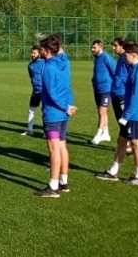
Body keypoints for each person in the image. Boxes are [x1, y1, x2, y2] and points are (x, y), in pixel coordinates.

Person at [95, 42, 138, 185]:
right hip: (131, 113)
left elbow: (136, 97)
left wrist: (126, 116)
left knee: (136, 143)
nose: (124, 57)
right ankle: (113, 171)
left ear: (134, 55)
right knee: (121, 141)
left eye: (126, 55)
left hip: (135, 115)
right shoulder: (133, 69)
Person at [34, 35, 77, 198]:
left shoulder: (47, 67)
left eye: (41, 49)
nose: (40, 51)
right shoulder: (64, 63)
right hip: (64, 114)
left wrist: (65, 106)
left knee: (53, 149)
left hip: (53, 114)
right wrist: (69, 106)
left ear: (47, 50)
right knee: (61, 146)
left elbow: (51, 93)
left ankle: (53, 186)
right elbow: (68, 85)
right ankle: (64, 182)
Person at [89, 40, 116, 145]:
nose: (92, 50)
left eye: (94, 48)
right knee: (102, 112)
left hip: (106, 89)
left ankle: (98, 135)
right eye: (92, 47)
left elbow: (114, 72)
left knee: (102, 112)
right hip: (97, 89)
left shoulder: (106, 57)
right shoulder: (96, 59)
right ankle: (106, 133)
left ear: (100, 47)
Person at [110, 37, 133, 154]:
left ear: (122, 46)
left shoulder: (126, 59)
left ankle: (130, 144)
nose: (113, 48)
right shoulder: (120, 59)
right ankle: (125, 144)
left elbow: (130, 76)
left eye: (115, 45)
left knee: (124, 120)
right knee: (120, 120)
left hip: (122, 94)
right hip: (116, 93)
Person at [22, 45, 44, 136]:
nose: (32, 55)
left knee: (45, 110)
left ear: (40, 53)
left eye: (34, 53)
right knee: (31, 109)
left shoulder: (45, 63)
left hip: (45, 91)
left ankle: (46, 132)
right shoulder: (30, 65)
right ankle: (29, 130)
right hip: (35, 91)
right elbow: (32, 77)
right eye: (32, 53)